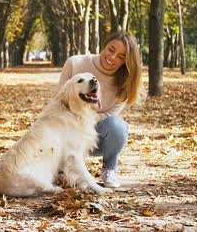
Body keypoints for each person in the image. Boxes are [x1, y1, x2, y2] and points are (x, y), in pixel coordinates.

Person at [58, 31, 143, 188]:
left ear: (126, 61)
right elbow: (62, 100)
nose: (112, 58)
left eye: (121, 56)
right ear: (105, 44)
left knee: (117, 125)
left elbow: (109, 115)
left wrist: (83, 115)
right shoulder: (75, 63)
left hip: (96, 137)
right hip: (68, 130)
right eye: (111, 49)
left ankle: (109, 169)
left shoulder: (126, 83)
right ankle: (61, 165)